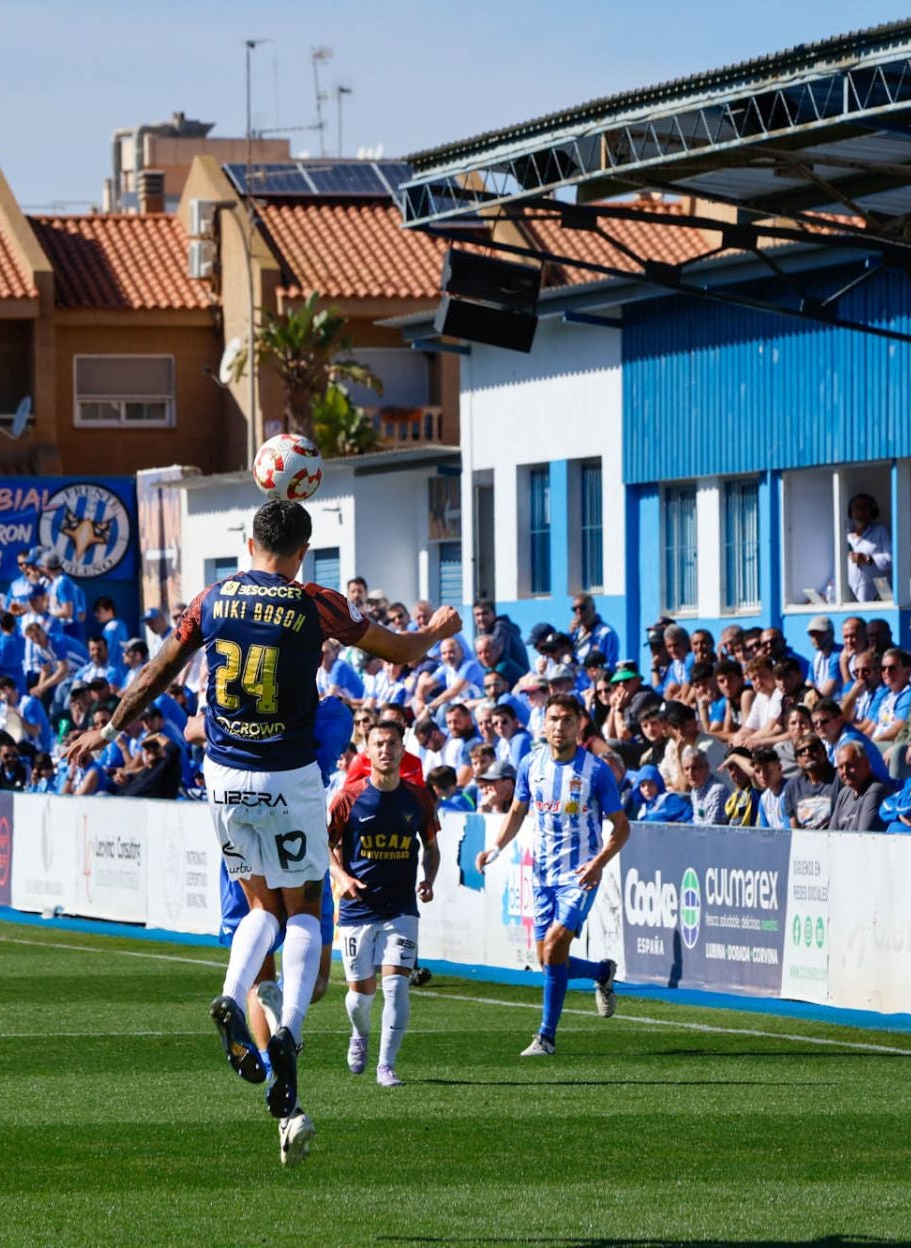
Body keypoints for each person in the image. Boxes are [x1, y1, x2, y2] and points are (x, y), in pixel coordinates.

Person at [61, 499, 459, 1166]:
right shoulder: (314, 602)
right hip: (289, 775)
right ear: (302, 551)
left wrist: (104, 732)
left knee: (256, 905)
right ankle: (291, 1031)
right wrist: (437, 627)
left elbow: (156, 675)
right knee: (302, 907)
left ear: (248, 543)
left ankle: (227, 993)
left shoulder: (213, 599)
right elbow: (402, 653)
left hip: (223, 775)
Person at [475, 693, 627, 1056]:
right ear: (544, 723)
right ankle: (601, 973)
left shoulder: (595, 770)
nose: (560, 727)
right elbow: (516, 811)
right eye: (554, 719)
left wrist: (598, 862)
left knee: (557, 944)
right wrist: (495, 848)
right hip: (541, 875)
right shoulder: (530, 764)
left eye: (568, 720)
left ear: (580, 725)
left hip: (580, 874)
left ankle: (546, 1036)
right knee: (547, 959)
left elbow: (621, 827)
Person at [329, 720, 439, 1088]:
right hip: (358, 908)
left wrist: (429, 879)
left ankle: (386, 1066)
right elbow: (323, 845)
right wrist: (343, 879)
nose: (385, 750)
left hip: (401, 909)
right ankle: (359, 1035)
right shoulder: (348, 798)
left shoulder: (418, 798)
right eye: (378, 744)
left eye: (392, 743)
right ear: (367, 749)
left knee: (396, 987)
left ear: (402, 749)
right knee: (361, 996)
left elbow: (432, 847)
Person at [843, 493, 891, 603]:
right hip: (850, 594)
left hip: (878, 593)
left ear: (872, 512)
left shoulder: (880, 531)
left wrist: (868, 560)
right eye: (857, 509)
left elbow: (892, 560)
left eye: (865, 509)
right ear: (850, 512)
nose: (860, 513)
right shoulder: (845, 536)